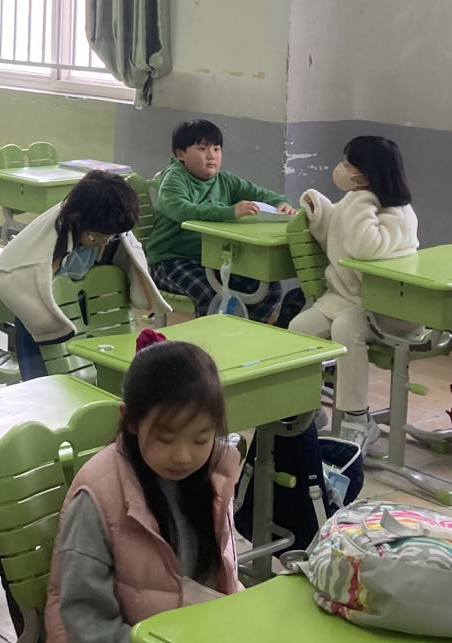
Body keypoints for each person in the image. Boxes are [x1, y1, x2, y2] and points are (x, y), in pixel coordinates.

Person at [45, 333, 241, 643]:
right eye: (166, 438)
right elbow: (88, 628)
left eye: (201, 439)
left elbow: (220, 583)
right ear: (130, 420)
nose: (183, 456)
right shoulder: (98, 494)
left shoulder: (213, 477)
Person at [287, 136, 419, 456]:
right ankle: (307, 408)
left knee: (347, 327)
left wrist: (361, 200)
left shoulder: (398, 213)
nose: (343, 170)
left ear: (368, 173)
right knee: (298, 330)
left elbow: (364, 247)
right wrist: (319, 207)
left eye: (350, 165)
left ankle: (357, 420)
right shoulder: (357, 201)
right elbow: (338, 230)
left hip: (392, 308)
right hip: (348, 298)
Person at [0, 172, 167, 380]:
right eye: (98, 237)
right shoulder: (51, 239)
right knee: (41, 372)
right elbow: (9, 276)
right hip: (38, 308)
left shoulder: (109, 229)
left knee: (81, 363)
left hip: (82, 299)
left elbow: (130, 259)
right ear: (78, 219)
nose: (104, 242)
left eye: (110, 238)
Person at [145, 119, 299, 325]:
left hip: (214, 260)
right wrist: (229, 211)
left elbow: (261, 194)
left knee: (269, 289)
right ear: (180, 154)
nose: (211, 155)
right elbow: (181, 209)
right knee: (210, 294)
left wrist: (282, 203)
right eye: (202, 148)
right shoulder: (174, 179)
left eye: (217, 149)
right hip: (170, 261)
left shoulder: (226, 181)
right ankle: (206, 349)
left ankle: (243, 340)